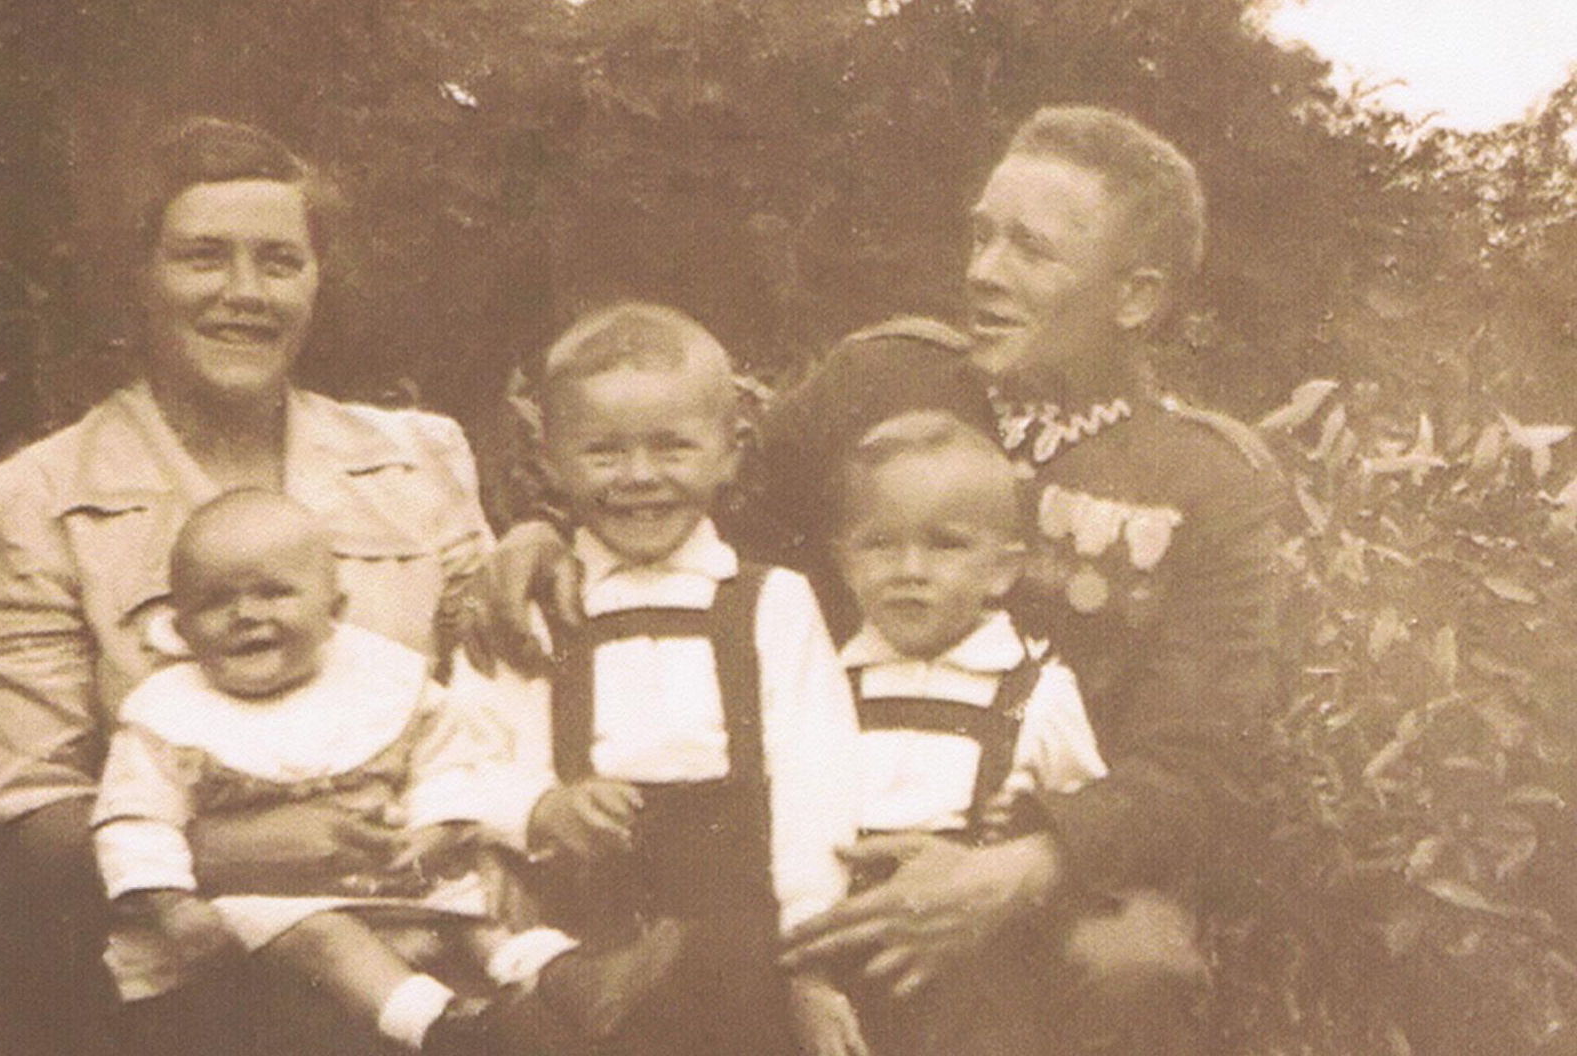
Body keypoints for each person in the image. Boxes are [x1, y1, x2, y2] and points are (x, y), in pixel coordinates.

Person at [463, 105, 1284, 1055]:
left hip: (1033, 853)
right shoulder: (881, 382)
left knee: (1133, 960)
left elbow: (1199, 763)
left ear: (1135, 298)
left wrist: (1019, 869)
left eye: (1030, 249)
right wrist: (552, 535)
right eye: (981, 235)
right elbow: (704, 525)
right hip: (807, 816)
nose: (983, 271)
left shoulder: (1206, 481)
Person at [0, 116, 494, 1055]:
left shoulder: (415, 460)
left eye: (280, 261)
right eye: (202, 257)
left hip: (451, 946)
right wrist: (233, 852)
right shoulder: (25, 508)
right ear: (137, 277)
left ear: (317, 282)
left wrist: (539, 552)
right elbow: (28, 814)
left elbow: (503, 683)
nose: (245, 293)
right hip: (205, 1002)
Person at [451, 302, 866, 1056]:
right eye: (603, 452)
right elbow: (461, 758)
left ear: (730, 451)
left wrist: (810, 964)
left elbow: (817, 786)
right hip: (580, 946)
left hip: (744, 952)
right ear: (549, 460)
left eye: (673, 446)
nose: (640, 477)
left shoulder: (773, 602)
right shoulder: (532, 608)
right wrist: (540, 809)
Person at [92, 489, 609, 1054]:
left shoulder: (378, 679)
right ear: (181, 627)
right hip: (270, 903)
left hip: (396, 874)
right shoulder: (168, 715)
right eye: (215, 602)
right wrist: (170, 903)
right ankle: (449, 1027)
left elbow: (448, 758)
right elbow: (135, 819)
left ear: (333, 609)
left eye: (274, 592)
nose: (246, 615)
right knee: (326, 936)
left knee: (477, 908)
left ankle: (562, 976)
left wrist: (435, 829)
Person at [828, 409, 1104, 1054]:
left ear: (1002, 570)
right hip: (846, 953)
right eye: (880, 544)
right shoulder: (825, 680)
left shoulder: (1035, 693)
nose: (910, 569)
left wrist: (1027, 830)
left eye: (946, 544)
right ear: (844, 562)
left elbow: (1079, 822)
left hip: (978, 969)